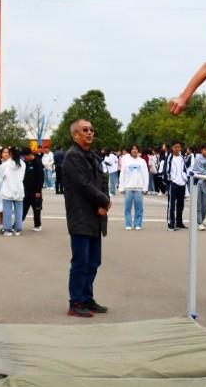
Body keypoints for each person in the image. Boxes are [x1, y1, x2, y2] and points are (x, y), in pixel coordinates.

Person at [61, 119, 111, 318]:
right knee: (81, 261)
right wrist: (103, 200)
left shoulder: (93, 157)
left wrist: (103, 202)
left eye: (91, 129)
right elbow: (83, 184)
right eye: (85, 130)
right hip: (81, 215)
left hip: (95, 215)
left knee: (93, 261)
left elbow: (102, 181)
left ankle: (87, 297)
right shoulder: (73, 157)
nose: (90, 132)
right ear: (75, 135)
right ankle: (76, 302)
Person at [0, 147, 26, 236]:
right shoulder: (23, 164)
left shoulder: (6, 164)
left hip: (7, 190)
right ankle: (18, 228)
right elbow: (22, 176)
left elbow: (1, 176)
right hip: (19, 190)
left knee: (7, 211)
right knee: (19, 212)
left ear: (11, 154)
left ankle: (7, 229)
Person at [119, 144, 147, 231]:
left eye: (136, 149)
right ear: (130, 151)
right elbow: (122, 174)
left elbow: (146, 175)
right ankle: (128, 224)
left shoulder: (142, 161)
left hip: (138, 188)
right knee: (127, 208)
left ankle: (137, 224)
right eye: (133, 149)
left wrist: (145, 187)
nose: (134, 151)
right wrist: (121, 186)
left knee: (139, 208)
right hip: (128, 188)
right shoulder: (126, 161)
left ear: (138, 151)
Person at [162, 140, 188, 231]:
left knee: (181, 204)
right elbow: (166, 171)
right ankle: (171, 223)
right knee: (171, 205)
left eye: (179, 147)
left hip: (182, 183)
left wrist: (185, 178)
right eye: (175, 147)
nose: (177, 149)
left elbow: (185, 169)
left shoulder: (182, 157)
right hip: (173, 184)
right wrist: (169, 181)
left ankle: (179, 222)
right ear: (172, 148)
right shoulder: (169, 158)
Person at [21, 147, 45, 231]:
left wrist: (38, 190)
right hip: (27, 190)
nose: (24, 158)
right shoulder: (26, 163)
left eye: (25, 156)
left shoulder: (37, 163)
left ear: (29, 155)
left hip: (35, 191)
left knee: (36, 209)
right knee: (23, 207)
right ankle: (18, 224)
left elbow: (41, 178)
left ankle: (37, 225)